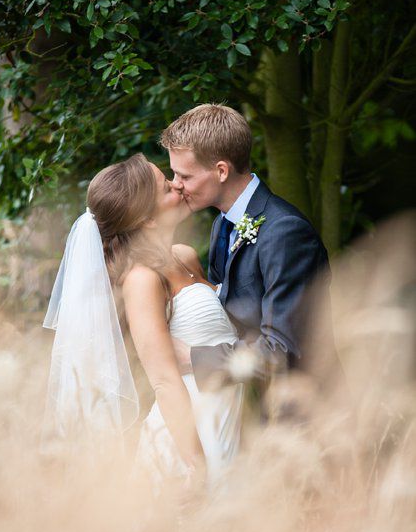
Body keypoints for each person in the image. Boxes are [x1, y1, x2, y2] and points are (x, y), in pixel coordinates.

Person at [44, 154, 242, 485]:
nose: (179, 184)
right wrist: (197, 464)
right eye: (167, 187)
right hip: (191, 431)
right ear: (148, 219)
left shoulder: (185, 256)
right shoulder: (142, 280)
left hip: (227, 410)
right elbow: (164, 380)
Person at [160, 104, 330, 390]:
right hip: (242, 406)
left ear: (222, 171)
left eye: (185, 176)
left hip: (297, 415)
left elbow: (281, 349)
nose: (176, 186)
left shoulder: (285, 232)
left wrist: (193, 358)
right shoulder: (222, 226)